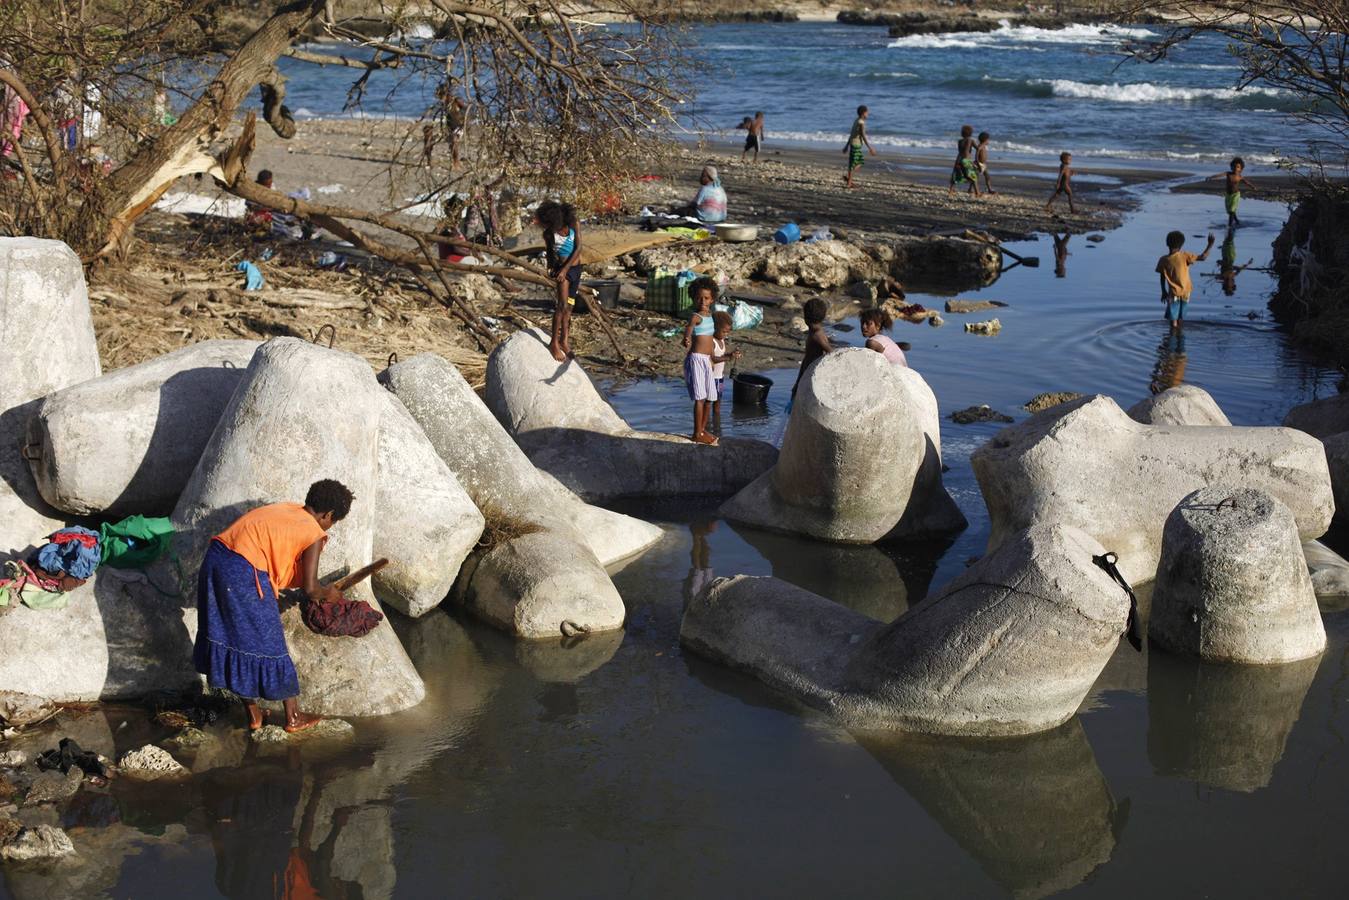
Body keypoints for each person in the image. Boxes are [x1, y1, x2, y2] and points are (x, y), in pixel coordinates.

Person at [193, 479, 354, 734]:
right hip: (242, 570)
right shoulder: (313, 531)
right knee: (272, 642)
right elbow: (311, 589)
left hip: (215, 560)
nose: (328, 527)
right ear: (329, 515)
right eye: (332, 522)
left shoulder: (286, 509)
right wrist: (329, 593)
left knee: (230, 635)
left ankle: (254, 713)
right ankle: (293, 717)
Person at [537, 199, 581, 361]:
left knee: (569, 307)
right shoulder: (549, 233)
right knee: (561, 306)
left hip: (574, 270)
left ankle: (564, 341)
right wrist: (552, 267)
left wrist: (566, 269)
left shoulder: (573, 224)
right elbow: (550, 251)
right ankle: (553, 343)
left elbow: (579, 248)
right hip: (561, 273)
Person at [682, 276, 721, 445]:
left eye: (706, 298)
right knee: (700, 397)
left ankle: (703, 429)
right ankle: (697, 432)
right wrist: (686, 339)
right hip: (696, 359)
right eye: (698, 298)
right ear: (693, 298)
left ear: (712, 299)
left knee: (709, 398)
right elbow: (689, 329)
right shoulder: (696, 316)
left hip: (707, 360)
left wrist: (713, 359)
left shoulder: (711, 317)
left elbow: (711, 338)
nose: (702, 301)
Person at [1156, 229, 1215, 330]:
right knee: (1180, 318)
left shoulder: (1163, 260)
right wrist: (1209, 245)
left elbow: (1162, 276)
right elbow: (1203, 257)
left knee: (1173, 320)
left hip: (1174, 293)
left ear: (1167, 243)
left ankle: (1173, 338)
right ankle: (1180, 339)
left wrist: (1163, 291)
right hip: (1186, 293)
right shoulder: (1185, 256)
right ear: (1181, 245)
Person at [792, 297, 834, 401]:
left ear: (805, 318)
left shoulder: (817, 336)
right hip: (808, 371)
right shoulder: (815, 333)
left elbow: (831, 352)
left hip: (811, 374)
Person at [710, 310, 740, 427]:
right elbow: (713, 358)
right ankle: (706, 425)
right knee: (708, 402)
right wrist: (728, 358)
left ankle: (717, 425)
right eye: (724, 331)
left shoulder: (721, 340)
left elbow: (721, 355)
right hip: (711, 378)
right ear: (714, 328)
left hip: (719, 377)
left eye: (728, 332)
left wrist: (731, 354)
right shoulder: (712, 341)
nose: (726, 334)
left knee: (718, 401)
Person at [1211, 156, 1258, 229]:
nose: (1236, 168)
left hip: (1236, 195)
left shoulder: (1240, 177)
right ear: (1231, 167)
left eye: (1238, 167)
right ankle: (1237, 221)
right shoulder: (1228, 174)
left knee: (1232, 210)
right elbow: (1220, 175)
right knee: (1230, 211)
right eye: (1234, 166)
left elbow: (1247, 183)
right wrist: (1211, 177)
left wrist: (1253, 187)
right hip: (1228, 195)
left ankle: (1229, 225)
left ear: (1241, 169)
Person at [844, 105, 876, 189]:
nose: (868, 114)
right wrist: (870, 148)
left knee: (853, 163)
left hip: (852, 144)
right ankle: (849, 181)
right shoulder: (861, 123)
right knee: (859, 163)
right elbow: (863, 136)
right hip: (856, 145)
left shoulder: (856, 120)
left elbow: (852, 134)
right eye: (867, 113)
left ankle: (849, 181)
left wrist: (847, 145)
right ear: (863, 113)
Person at [948, 124, 980, 197]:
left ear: (962, 133)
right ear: (971, 133)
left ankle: (951, 190)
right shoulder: (971, 140)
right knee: (973, 176)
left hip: (959, 159)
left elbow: (960, 150)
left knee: (956, 175)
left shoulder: (959, 141)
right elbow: (977, 148)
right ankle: (977, 192)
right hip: (966, 160)